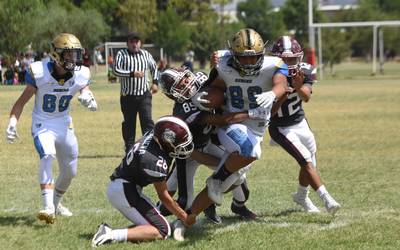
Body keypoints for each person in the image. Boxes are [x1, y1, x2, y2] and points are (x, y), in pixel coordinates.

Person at [5, 33, 98, 224]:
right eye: (69, 54)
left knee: (70, 171)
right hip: (43, 123)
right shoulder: (40, 72)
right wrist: (13, 121)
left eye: (75, 54)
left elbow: (85, 89)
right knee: (47, 155)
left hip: (64, 123)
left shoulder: (80, 73)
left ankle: (56, 204)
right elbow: (21, 102)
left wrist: (89, 97)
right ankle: (47, 207)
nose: (74, 59)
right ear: (56, 55)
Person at [190, 28, 287, 206]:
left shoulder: (275, 64)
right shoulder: (223, 63)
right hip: (232, 123)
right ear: (234, 54)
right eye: (243, 57)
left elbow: (281, 83)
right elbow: (214, 87)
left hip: (257, 127)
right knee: (250, 153)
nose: (249, 62)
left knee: (236, 175)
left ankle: (191, 216)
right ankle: (213, 180)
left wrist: (273, 94)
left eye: (254, 57)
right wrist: (204, 94)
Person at [158, 68, 266, 225]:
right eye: (181, 85)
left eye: (185, 79)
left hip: (208, 143)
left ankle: (211, 204)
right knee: (182, 200)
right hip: (189, 153)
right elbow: (222, 120)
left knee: (238, 174)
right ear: (173, 94)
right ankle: (155, 214)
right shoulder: (183, 111)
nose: (187, 84)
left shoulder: (201, 80)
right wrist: (251, 113)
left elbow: (216, 78)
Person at [91, 116, 195, 247]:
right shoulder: (154, 160)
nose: (183, 147)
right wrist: (184, 217)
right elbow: (164, 196)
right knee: (163, 230)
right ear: (167, 140)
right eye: (180, 144)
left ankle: (116, 232)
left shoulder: (154, 135)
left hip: (125, 186)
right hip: (124, 190)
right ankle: (110, 234)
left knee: (158, 222)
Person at [268, 36, 341, 214]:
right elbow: (271, 112)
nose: (289, 63)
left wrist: (298, 87)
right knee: (306, 159)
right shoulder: (268, 75)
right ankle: (327, 199)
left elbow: (306, 97)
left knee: (311, 162)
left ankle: (301, 195)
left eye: (292, 59)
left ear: (299, 57)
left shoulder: (305, 71)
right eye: (284, 60)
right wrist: (283, 94)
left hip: (300, 122)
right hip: (280, 126)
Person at [113, 32, 159, 153]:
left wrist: (155, 82)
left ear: (140, 43)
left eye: (137, 41)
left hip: (144, 95)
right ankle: (129, 149)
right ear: (127, 43)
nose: (135, 44)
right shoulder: (121, 54)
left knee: (147, 121)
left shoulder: (146, 54)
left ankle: (150, 148)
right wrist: (132, 74)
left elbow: (154, 67)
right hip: (127, 96)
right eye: (132, 42)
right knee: (129, 124)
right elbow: (116, 71)